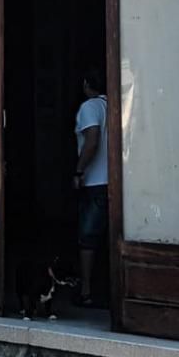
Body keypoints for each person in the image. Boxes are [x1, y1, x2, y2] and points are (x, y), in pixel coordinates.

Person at [74, 67, 108, 307]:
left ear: (87, 84)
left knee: (88, 239)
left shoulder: (90, 107)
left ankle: (86, 291)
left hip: (95, 180)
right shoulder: (112, 105)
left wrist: (79, 170)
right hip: (113, 181)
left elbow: (92, 139)